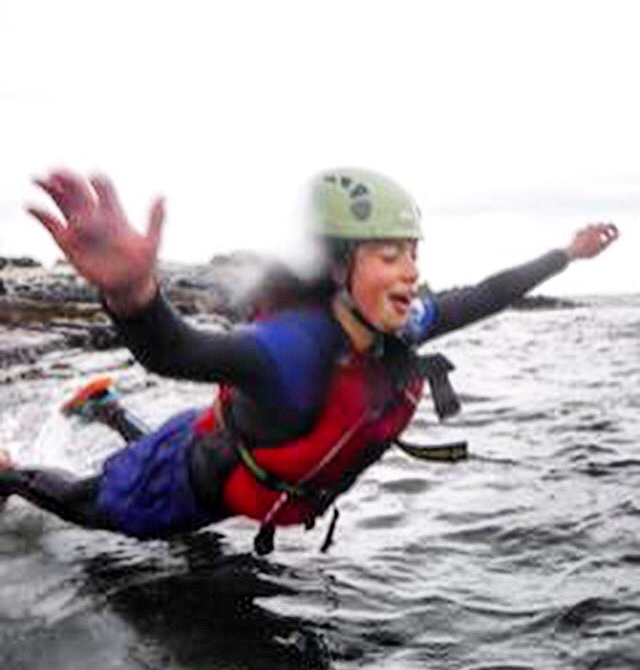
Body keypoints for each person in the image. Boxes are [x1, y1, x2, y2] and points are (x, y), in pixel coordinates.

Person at [0, 168, 618, 554]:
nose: (412, 271)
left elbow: (485, 295)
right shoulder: (289, 352)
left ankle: (107, 408)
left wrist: (566, 254)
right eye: (390, 255)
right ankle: (8, 472)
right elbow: (177, 350)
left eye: (412, 252)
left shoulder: (399, 326)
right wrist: (133, 296)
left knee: (167, 469)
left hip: (237, 462)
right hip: (185, 480)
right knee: (83, 504)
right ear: (338, 267)